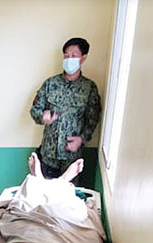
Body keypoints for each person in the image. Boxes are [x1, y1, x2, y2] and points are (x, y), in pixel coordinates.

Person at [30, 37, 102, 186]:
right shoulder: (50, 84)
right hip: (48, 155)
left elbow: (93, 118)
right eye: (66, 55)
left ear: (83, 58)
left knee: (67, 196)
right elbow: (35, 110)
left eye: (74, 56)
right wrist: (42, 117)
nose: (69, 59)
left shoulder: (89, 88)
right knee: (44, 195)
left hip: (71, 159)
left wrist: (82, 139)